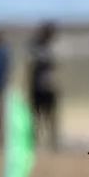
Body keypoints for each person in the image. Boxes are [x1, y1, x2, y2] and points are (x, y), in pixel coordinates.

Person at [28, 21, 59, 149]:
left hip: (50, 88)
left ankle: (53, 142)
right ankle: (34, 141)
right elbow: (31, 65)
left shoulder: (53, 47)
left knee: (51, 117)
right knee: (36, 117)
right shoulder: (36, 48)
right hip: (37, 88)